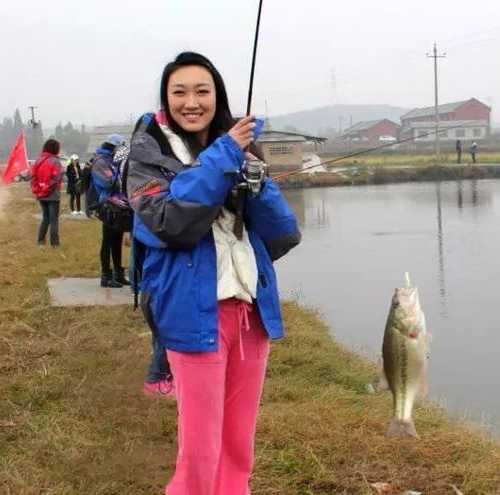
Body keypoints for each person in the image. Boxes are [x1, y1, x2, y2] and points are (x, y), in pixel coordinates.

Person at [127, 52, 301, 495]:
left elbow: (283, 234)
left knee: (238, 444)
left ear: (217, 97)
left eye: (202, 91)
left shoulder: (237, 151)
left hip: (250, 314)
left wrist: (255, 180)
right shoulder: (147, 156)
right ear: (166, 100)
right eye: (179, 91)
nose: (192, 101)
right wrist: (224, 157)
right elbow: (172, 222)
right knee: (200, 450)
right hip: (192, 314)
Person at [91, 134, 131, 288]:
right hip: (107, 205)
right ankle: (105, 276)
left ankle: (118, 274)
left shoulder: (112, 160)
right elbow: (107, 183)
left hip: (119, 205)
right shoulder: (100, 161)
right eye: (119, 146)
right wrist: (119, 173)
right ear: (113, 146)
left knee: (117, 240)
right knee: (107, 241)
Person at [31, 139, 63, 247]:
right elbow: (56, 178)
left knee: (45, 218)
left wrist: (39, 190)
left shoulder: (38, 160)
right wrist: (48, 189)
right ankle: (55, 244)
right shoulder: (55, 161)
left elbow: (33, 177)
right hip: (52, 195)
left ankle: (40, 241)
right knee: (53, 220)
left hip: (41, 195)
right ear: (55, 149)